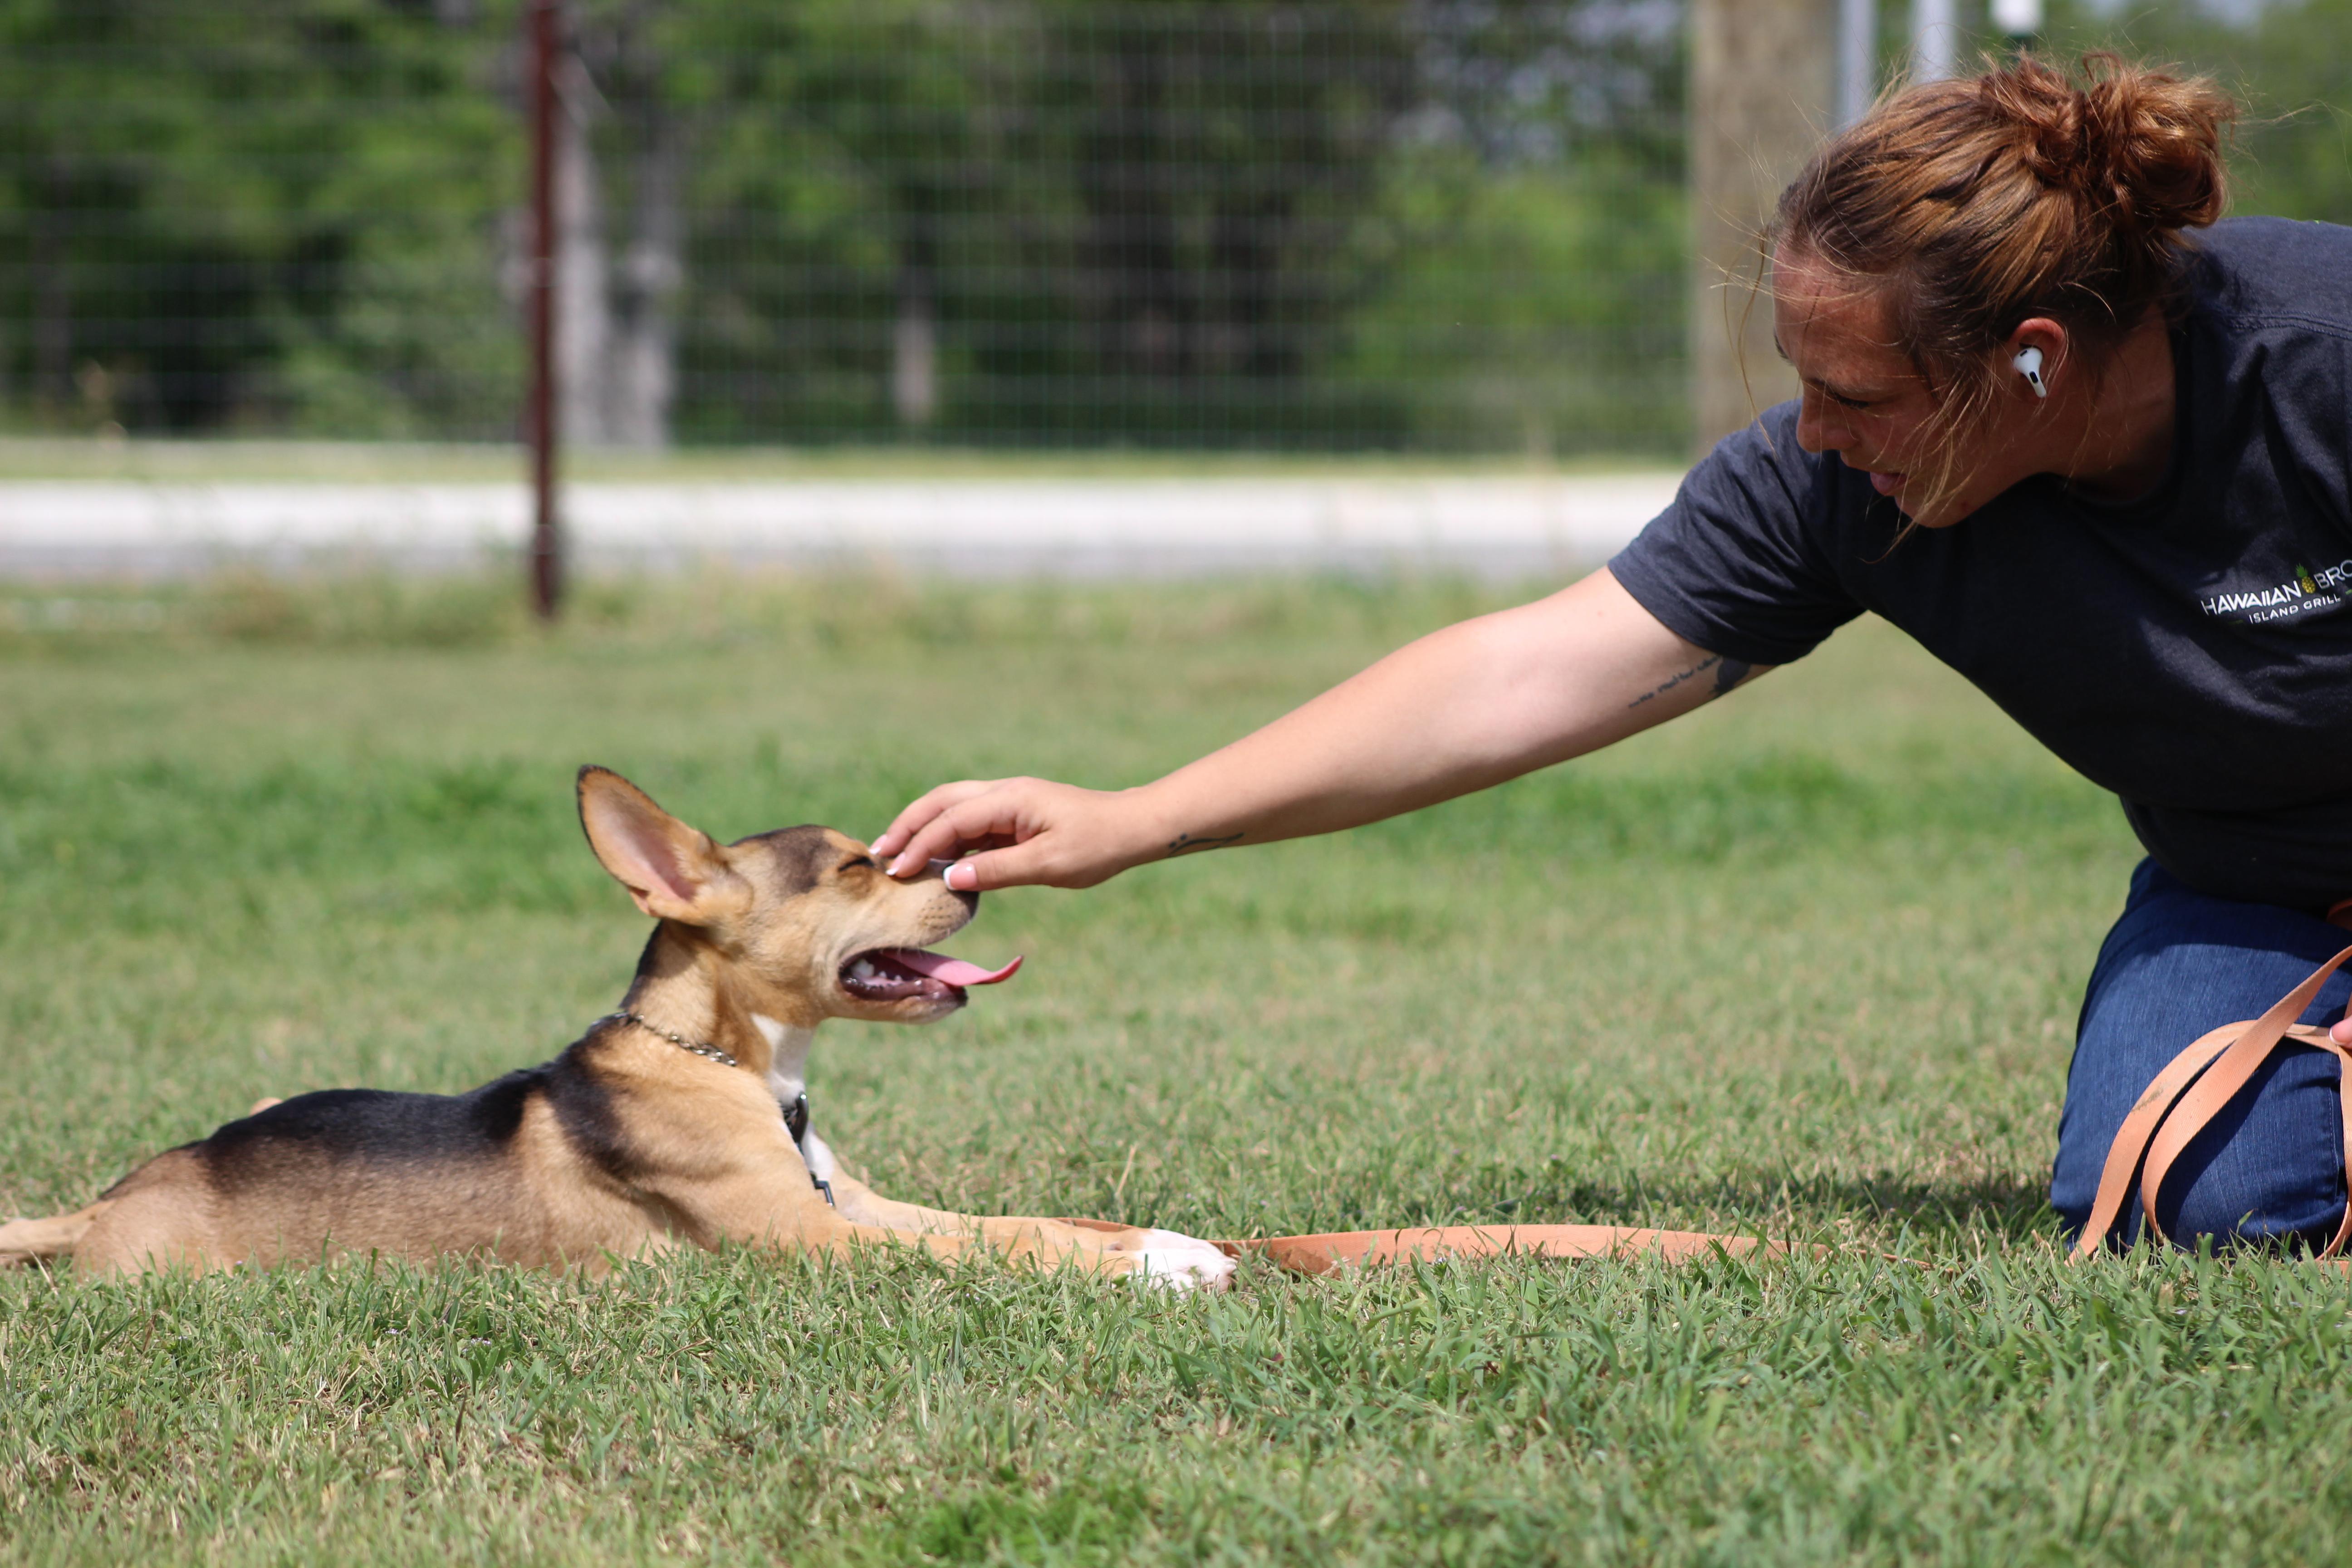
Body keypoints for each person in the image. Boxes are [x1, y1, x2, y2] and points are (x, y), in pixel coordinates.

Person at [872, 55, 2352, 1253]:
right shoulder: (1849, 491)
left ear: (2029, 360)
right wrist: (1138, 816)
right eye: (1797, 380)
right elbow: (1525, 673)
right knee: (2191, 1205)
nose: (1815, 431)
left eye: (1855, 390)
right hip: (2257, 885)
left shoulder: (2320, 357)